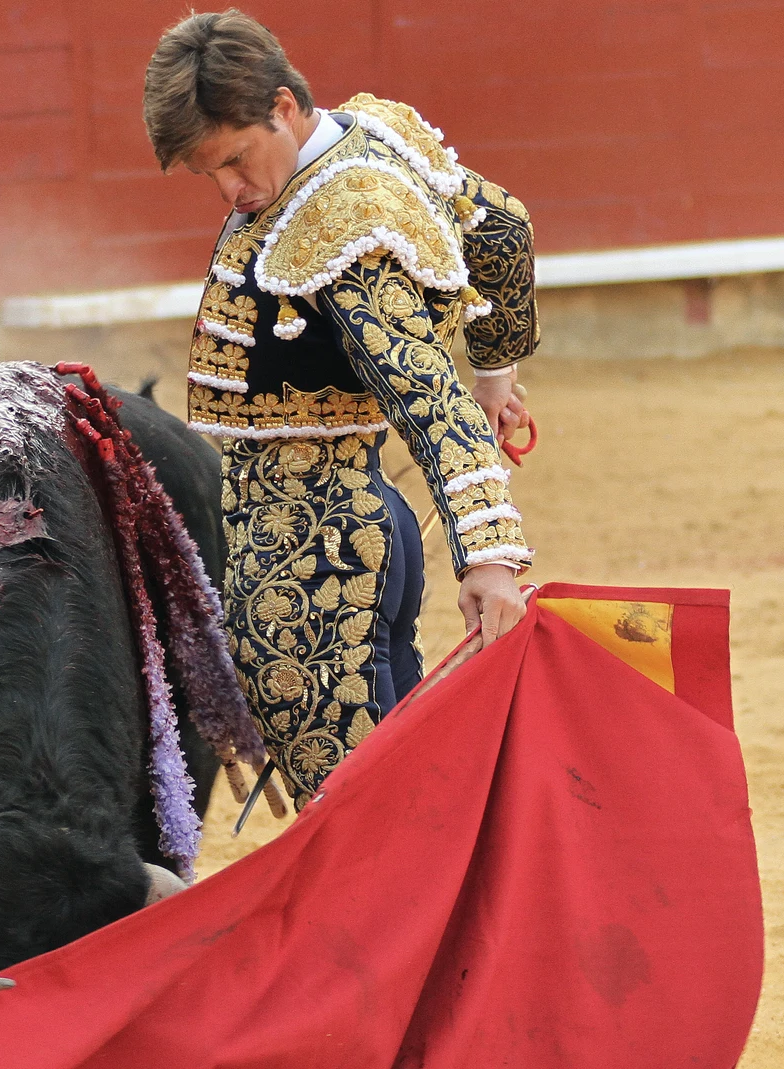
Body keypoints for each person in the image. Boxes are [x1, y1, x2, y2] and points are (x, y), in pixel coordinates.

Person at [143, 10, 539, 804]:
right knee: (402, 794)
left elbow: (427, 397)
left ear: (284, 107)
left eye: (234, 159)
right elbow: (503, 232)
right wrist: (497, 372)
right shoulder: (378, 130)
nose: (229, 190)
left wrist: (491, 554)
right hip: (370, 523)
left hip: (310, 555)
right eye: (206, 175)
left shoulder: (335, 228)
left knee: (360, 827)